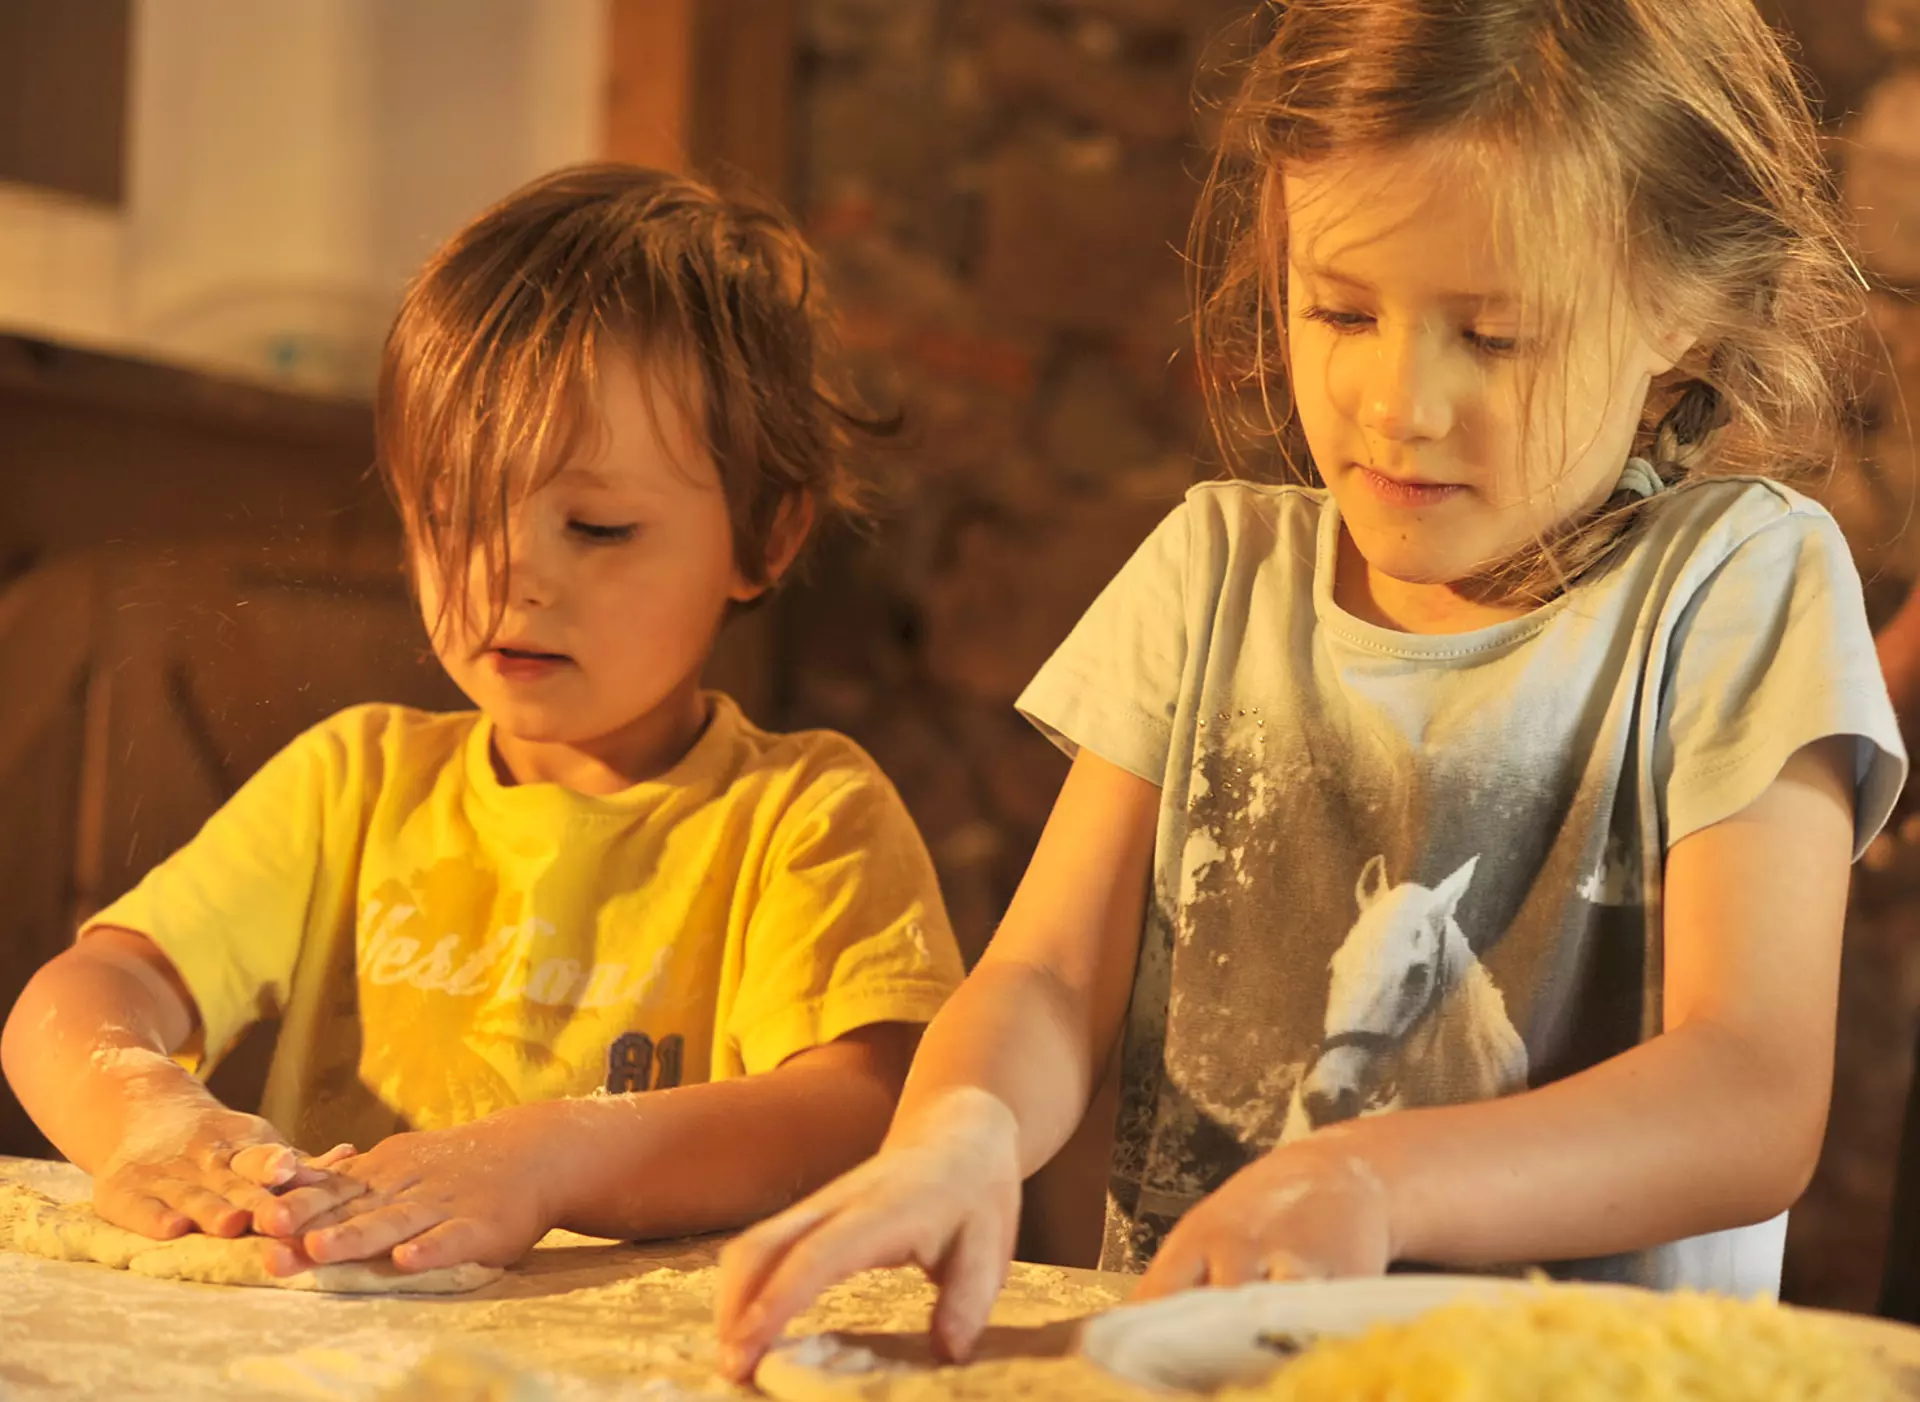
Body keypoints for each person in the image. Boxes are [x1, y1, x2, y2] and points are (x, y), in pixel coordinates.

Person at [712, 0, 1907, 1377]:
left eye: (1495, 335)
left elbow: (1750, 1092)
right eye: (1340, 308)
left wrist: (1376, 1180)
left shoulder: (1738, 592)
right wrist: (962, 1131)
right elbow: (1045, 974)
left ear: (1684, 321)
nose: (1397, 399)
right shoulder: (1214, 573)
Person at [0, 165, 965, 1279]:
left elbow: (864, 1106)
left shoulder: (803, 818)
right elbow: (86, 993)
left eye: (597, 527)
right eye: (453, 514)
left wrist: (554, 1157)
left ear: (766, 536)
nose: (512, 578)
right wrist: (155, 1122)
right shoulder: (353, 784)